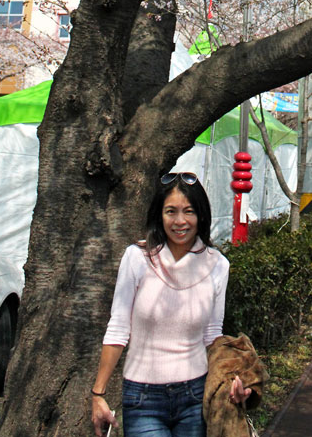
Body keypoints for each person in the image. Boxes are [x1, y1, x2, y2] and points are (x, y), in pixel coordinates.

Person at [91, 172, 251, 437]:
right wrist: (98, 393)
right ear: (159, 215)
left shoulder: (217, 265)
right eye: (171, 211)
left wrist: (231, 377)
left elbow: (212, 334)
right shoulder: (137, 259)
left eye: (188, 211)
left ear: (201, 215)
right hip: (143, 398)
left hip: (195, 396)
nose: (180, 221)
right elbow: (118, 329)